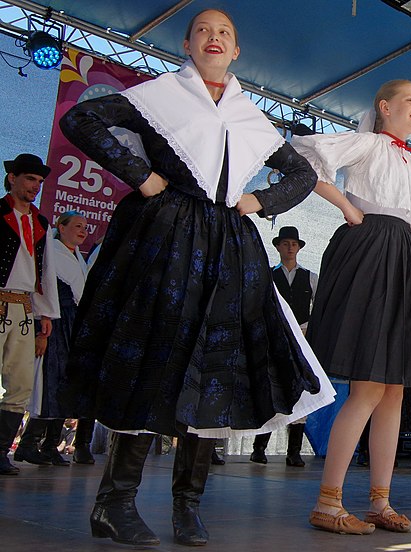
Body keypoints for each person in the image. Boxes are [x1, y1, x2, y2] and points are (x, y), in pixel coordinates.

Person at [57, 9, 333, 546]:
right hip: (164, 237)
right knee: (154, 356)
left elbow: (303, 172)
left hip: (228, 244)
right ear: (186, 43)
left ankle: (188, 507)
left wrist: (259, 200)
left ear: (236, 52)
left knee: (215, 370)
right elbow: (80, 119)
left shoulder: (251, 117)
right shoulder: (160, 96)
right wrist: (143, 176)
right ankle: (115, 503)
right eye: (204, 30)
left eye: (225, 32)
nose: (214, 37)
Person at [293, 79, 411, 535]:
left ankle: (381, 500)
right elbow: (302, 156)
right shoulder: (368, 144)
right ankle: (328, 500)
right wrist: (346, 206)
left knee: (394, 389)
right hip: (372, 251)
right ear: (384, 106)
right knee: (368, 387)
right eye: (409, 102)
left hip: (402, 256)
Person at [14, 211, 97, 467]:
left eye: (85, 227)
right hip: (56, 322)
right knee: (50, 382)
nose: (82, 230)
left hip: (73, 325)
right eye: (77, 226)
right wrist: (42, 328)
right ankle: (28, 444)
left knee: (65, 385)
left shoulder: (77, 259)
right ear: (61, 228)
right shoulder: (53, 252)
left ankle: (50, 446)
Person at [0, 153, 59, 476]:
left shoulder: (40, 222)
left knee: (21, 383)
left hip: (23, 307)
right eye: (29, 179)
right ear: (13, 179)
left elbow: (45, 272)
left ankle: (0, 452)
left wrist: (45, 315)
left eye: (39, 182)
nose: (35, 187)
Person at [250, 226, 318, 467]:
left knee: (300, 393)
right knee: (272, 390)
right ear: (278, 246)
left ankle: (294, 451)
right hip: (274, 337)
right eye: (286, 243)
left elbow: (318, 310)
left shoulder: (310, 277)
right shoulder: (268, 276)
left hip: (302, 337)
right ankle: (259, 448)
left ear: (299, 248)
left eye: (294, 244)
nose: (290, 248)